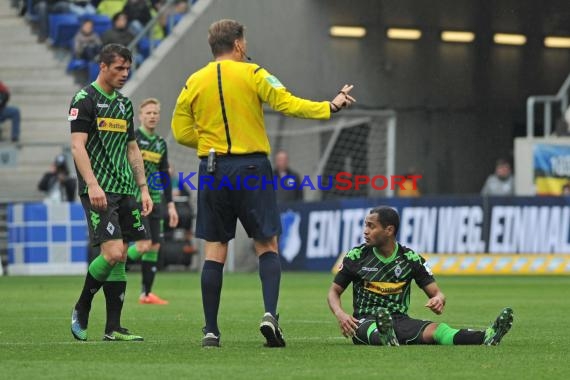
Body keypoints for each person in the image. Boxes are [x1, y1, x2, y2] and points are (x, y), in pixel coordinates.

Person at [171, 19, 356, 348]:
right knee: (266, 245)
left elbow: (180, 130)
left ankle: (211, 331)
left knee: (215, 252)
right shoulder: (254, 73)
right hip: (252, 167)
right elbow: (288, 103)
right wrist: (330, 107)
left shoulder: (193, 82)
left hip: (212, 170)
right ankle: (269, 314)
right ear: (239, 45)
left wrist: (209, 141)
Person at [327, 206, 514, 347]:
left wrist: (438, 300)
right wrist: (341, 314)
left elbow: (436, 293)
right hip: (365, 320)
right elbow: (334, 292)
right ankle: (385, 336)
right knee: (367, 329)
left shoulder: (410, 259)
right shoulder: (357, 256)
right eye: (365, 225)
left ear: (389, 230)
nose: (365, 231)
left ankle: (488, 336)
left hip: (400, 320)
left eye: (371, 226)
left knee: (439, 331)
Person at [68, 43, 153, 342]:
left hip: (126, 188)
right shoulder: (84, 99)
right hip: (99, 190)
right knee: (114, 252)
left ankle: (113, 328)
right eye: (119, 68)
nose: (124, 74)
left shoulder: (125, 104)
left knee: (122, 256)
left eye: (128, 68)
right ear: (102, 66)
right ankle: (82, 305)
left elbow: (133, 149)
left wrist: (143, 188)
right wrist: (92, 184)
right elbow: (77, 146)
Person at [126, 98, 178, 305]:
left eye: (155, 113)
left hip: (156, 201)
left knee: (154, 246)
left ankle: (146, 294)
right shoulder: (133, 139)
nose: (152, 116)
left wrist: (171, 204)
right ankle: (111, 264)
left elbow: (164, 175)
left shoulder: (160, 143)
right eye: (148, 113)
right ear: (140, 116)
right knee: (143, 245)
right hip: (138, 200)